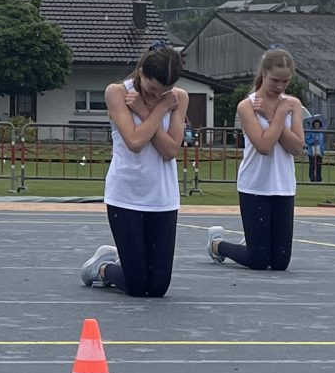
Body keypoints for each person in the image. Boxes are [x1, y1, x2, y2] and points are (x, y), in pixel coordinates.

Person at [82, 45, 189, 297]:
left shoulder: (178, 98)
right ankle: (102, 269)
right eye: (152, 89)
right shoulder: (117, 92)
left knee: (158, 287)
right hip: (126, 195)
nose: (158, 95)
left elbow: (170, 150)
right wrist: (160, 109)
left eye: (165, 91)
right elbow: (135, 141)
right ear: (141, 72)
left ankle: (123, 266)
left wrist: (144, 110)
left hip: (162, 198)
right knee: (137, 285)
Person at [210, 49, 303, 272]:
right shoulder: (247, 106)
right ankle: (217, 245)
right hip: (255, 185)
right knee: (259, 260)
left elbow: (297, 147)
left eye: (285, 81)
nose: (280, 86)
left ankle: (254, 241)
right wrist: (278, 116)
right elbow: (264, 146)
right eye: (275, 80)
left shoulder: (292, 104)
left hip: (283, 186)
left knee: (280, 263)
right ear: (264, 73)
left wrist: (272, 116)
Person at [304, 109, 325, 185]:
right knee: (312, 165)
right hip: (312, 151)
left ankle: (319, 178)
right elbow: (307, 139)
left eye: (318, 124)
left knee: (319, 165)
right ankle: (312, 177)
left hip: (320, 151)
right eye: (315, 124)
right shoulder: (310, 131)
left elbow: (322, 142)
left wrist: (323, 150)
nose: (317, 125)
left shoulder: (321, 132)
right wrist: (313, 141)